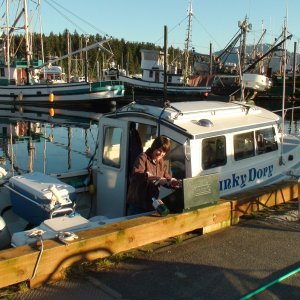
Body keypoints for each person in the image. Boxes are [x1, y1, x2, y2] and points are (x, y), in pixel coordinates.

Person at [127, 135, 181, 215]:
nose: (161, 154)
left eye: (164, 152)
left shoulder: (161, 162)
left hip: (151, 204)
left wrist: (174, 182)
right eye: (159, 150)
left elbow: (166, 178)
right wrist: (154, 178)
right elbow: (136, 175)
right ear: (154, 147)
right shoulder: (142, 158)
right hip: (137, 203)